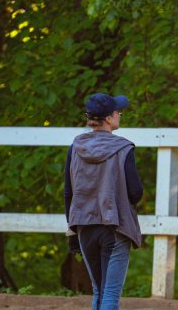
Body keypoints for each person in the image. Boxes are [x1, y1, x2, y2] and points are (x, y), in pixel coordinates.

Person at [64, 93, 144, 310]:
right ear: (108, 118)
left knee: (99, 292)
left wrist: (72, 230)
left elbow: (68, 193)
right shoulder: (123, 148)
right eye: (118, 112)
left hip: (83, 226)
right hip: (113, 226)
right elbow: (135, 192)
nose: (120, 114)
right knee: (109, 295)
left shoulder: (75, 147)